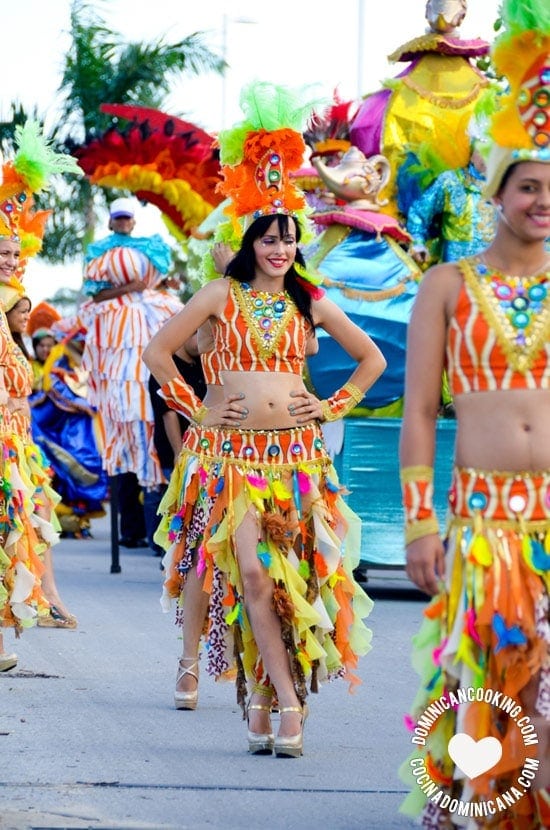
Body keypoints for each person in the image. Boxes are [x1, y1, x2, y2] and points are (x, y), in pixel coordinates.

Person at [144, 82, 386, 757]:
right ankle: (282, 704)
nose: (280, 248)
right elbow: (159, 351)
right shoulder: (221, 292)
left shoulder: (310, 298)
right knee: (248, 574)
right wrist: (196, 406)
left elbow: (368, 359)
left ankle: (264, 698)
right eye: (269, 238)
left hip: (297, 460)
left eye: (289, 238)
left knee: (295, 584)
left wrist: (332, 404)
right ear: (249, 241)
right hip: (230, 458)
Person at [398, 3, 550, 825]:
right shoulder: (448, 287)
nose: (543, 200)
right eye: (529, 185)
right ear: (498, 192)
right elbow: (419, 410)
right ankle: (484, 810)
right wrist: (420, 525)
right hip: (485, 524)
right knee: (490, 687)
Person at [0, 121, 82, 666]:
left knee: (21, 525)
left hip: (16, 437)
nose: (8, 261)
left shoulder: (12, 314)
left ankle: (40, 601)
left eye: (13, 255)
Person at [80, 196, 183, 548]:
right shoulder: (101, 252)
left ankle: (158, 530)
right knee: (127, 432)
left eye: (127, 218)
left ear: (133, 221)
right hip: (119, 343)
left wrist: (157, 289)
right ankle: (133, 530)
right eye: (118, 218)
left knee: (154, 434)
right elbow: (95, 297)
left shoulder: (150, 254)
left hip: (148, 346)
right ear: (111, 221)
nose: (123, 223)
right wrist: (129, 290)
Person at [4, 294, 77, 628]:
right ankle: (35, 599)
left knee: (41, 515)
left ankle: (49, 595)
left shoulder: (18, 348)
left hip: (24, 443)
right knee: (20, 523)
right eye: (21, 311)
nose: (26, 317)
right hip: (9, 443)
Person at [29, 319, 109, 540]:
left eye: (49, 345)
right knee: (60, 474)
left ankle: (78, 520)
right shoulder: (37, 367)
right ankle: (59, 522)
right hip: (47, 428)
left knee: (79, 468)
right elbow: (50, 393)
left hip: (70, 429)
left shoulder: (70, 366)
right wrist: (82, 405)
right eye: (41, 345)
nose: (45, 349)